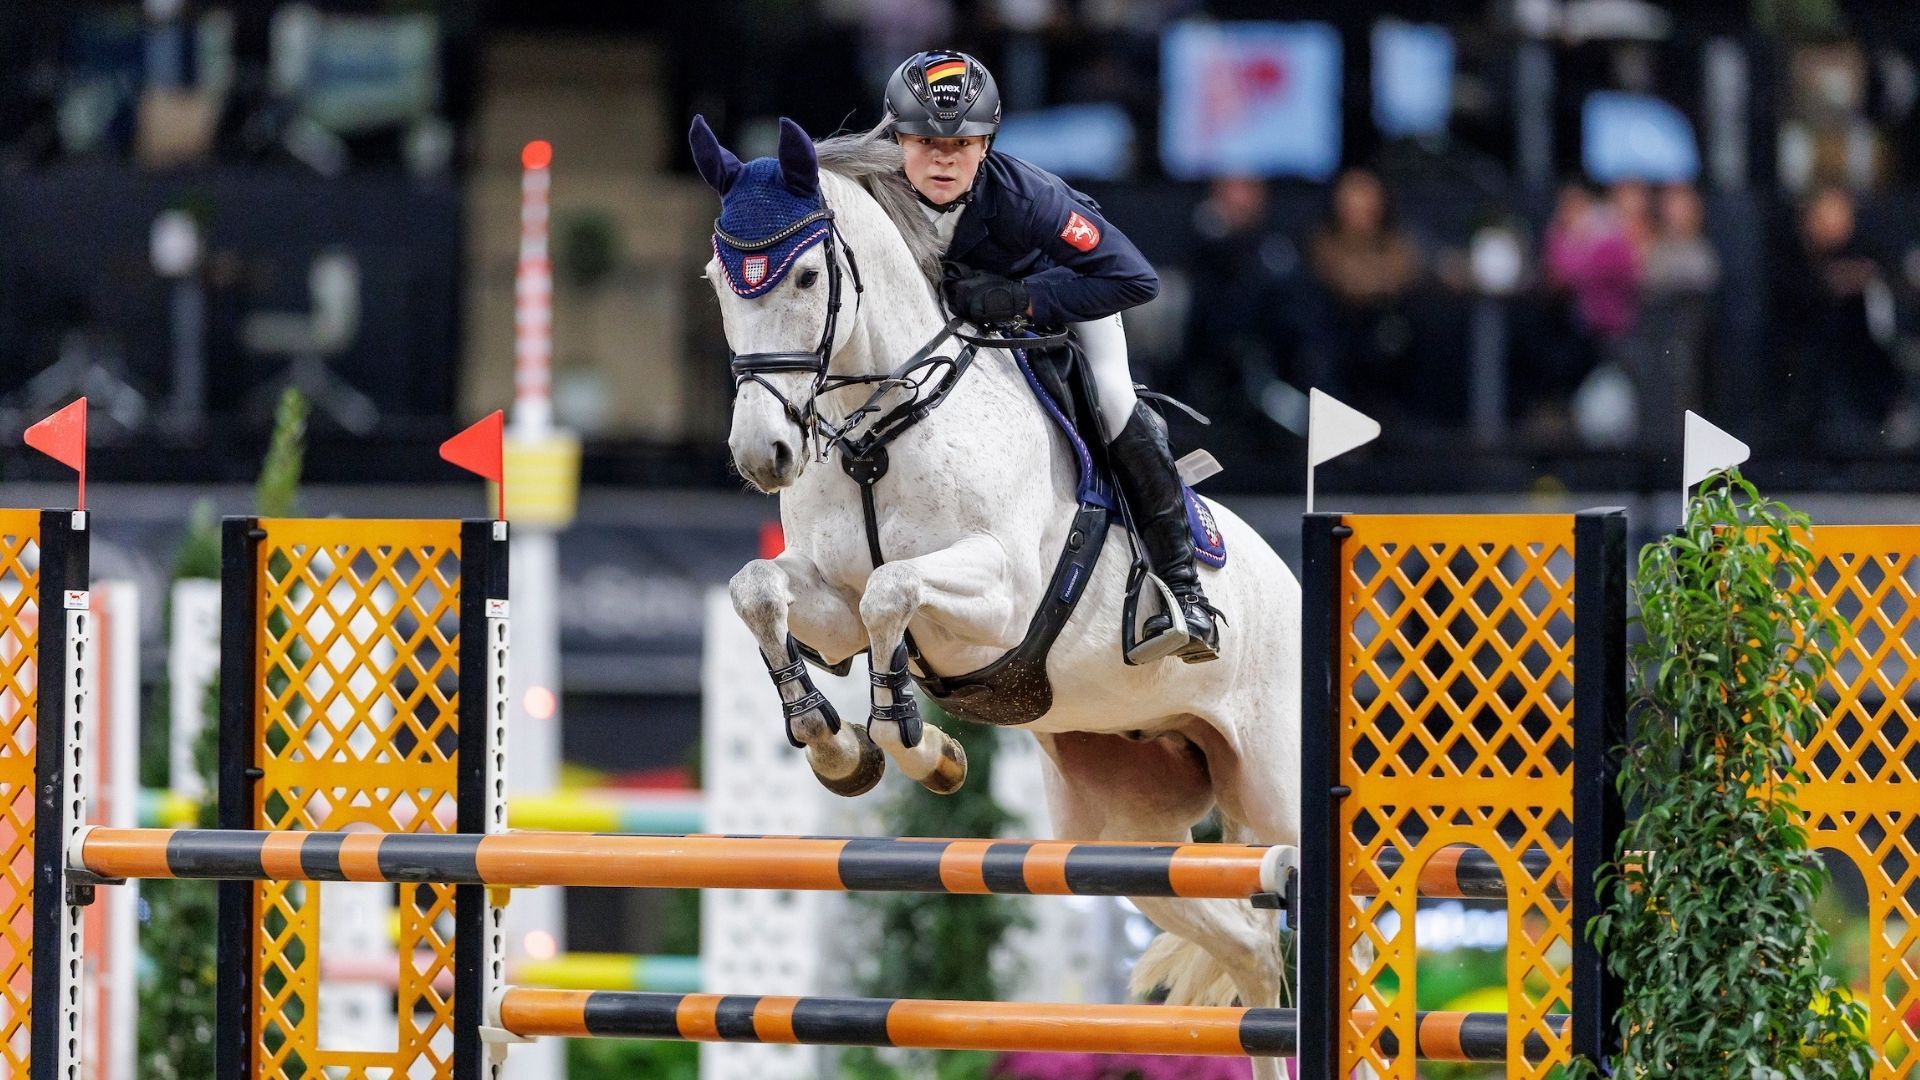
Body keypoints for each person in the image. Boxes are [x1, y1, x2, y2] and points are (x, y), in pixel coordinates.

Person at [880, 49, 1219, 662]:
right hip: (949, 334)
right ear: (895, 135)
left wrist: (1022, 295)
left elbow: (1135, 280)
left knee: (1114, 400)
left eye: (962, 143)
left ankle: (1182, 590)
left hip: (1062, 305)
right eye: (925, 140)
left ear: (986, 145)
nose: (942, 158)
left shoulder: (1027, 197)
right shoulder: (875, 194)